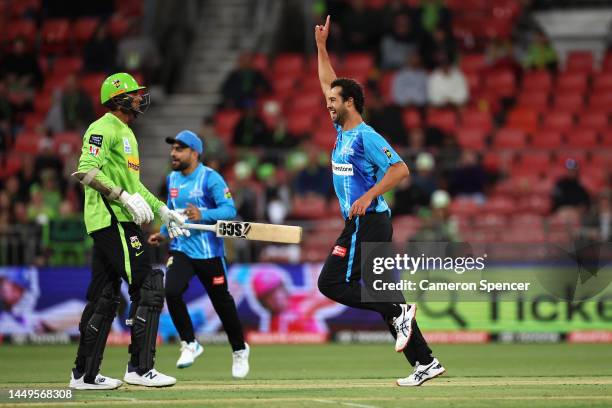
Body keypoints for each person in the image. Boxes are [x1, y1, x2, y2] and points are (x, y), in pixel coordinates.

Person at [314, 16, 444, 386]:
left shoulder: (365, 136)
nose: (328, 104)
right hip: (368, 220)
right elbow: (328, 82)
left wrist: (368, 195)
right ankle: (426, 362)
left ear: (350, 102)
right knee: (386, 294)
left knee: (331, 283)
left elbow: (400, 170)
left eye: (334, 101)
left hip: (367, 219)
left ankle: (398, 311)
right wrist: (322, 48)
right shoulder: (342, 129)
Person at [69, 73, 188, 390]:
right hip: (113, 219)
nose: (139, 98)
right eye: (134, 94)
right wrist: (119, 197)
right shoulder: (102, 128)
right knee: (149, 284)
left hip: (117, 218)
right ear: (118, 97)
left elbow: (134, 187)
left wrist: (163, 209)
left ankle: (84, 375)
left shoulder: (127, 134)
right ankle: (139, 367)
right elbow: (85, 170)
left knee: (104, 297)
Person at [147, 130, 250, 378]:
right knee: (171, 291)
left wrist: (202, 214)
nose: (173, 153)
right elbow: (173, 213)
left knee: (222, 303)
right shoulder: (172, 179)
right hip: (182, 249)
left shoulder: (210, 178)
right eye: (173, 149)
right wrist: (164, 233)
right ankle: (190, 343)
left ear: (194, 153)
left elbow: (229, 209)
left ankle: (239, 350)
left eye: (179, 149)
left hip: (209, 253)